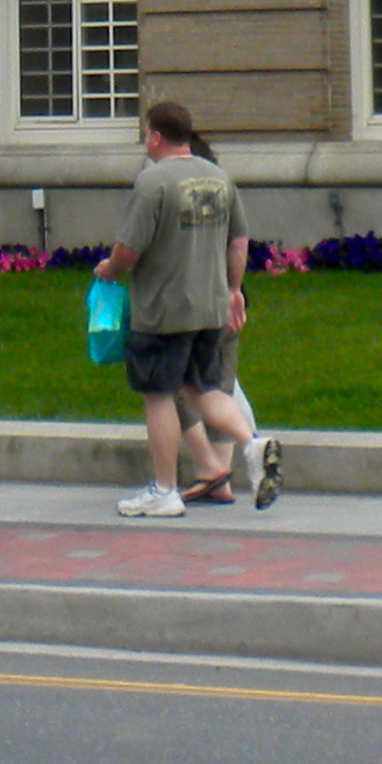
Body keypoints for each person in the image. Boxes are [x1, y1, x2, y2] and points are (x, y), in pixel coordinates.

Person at [92, 99, 264, 518]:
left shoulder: (153, 182)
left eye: (146, 135)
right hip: (210, 306)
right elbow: (239, 241)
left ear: (155, 136)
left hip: (163, 309)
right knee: (203, 388)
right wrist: (233, 289)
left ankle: (164, 490)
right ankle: (252, 444)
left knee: (158, 394)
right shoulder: (220, 178)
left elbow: (130, 248)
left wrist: (108, 269)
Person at [174, 125, 279, 511]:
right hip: (228, 302)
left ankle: (215, 467)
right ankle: (224, 470)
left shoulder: (170, 195)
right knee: (221, 384)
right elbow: (239, 243)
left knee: (174, 385)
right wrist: (235, 292)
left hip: (187, 307)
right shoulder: (223, 192)